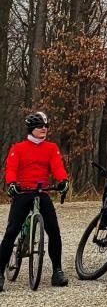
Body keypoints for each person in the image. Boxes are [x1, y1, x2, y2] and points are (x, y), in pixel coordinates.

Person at [0, 112, 68, 288]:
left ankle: (57, 271)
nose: (43, 129)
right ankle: (0, 272)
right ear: (32, 129)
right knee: (11, 231)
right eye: (40, 126)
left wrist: (63, 181)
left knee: (54, 230)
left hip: (42, 192)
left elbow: (57, 167)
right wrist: (12, 183)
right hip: (23, 192)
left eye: (46, 126)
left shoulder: (51, 148)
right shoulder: (18, 148)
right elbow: (11, 169)